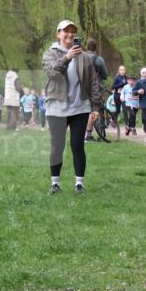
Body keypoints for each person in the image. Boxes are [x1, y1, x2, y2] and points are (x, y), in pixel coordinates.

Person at [43, 20, 100, 194]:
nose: (70, 34)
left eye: (73, 31)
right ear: (58, 34)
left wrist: (96, 106)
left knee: (77, 145)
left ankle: (79, 184)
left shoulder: (85, 58)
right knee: (57, 146)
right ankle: (55, 183)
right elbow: (52, 73)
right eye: (66, 31)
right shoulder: (50, 54)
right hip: (56, 108)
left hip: (79, 107)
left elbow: (93, 83)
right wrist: (67, 57)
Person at [84, 40, 108, 141]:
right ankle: (88, 134)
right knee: (94, 109)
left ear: (86, 47)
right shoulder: (99, 59)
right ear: (95, 47)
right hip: (95, 86)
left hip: (82, 87)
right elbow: (105, 75)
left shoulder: (81, 57)